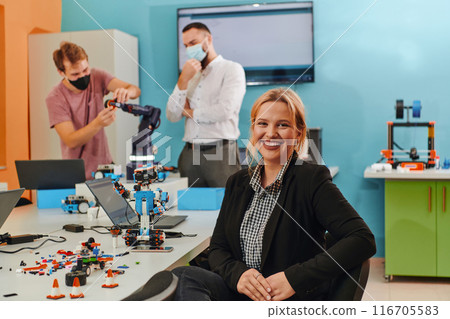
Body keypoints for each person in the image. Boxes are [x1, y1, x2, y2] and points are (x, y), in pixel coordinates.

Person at [171, 88, 376, 301]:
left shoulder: (311, 180)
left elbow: (362, 238)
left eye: (283, 125)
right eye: (263, 123)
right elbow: (218, 249)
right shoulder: (238, 182)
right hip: (242, 295)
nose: (270, 133)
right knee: (182, 276)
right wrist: (239, 275)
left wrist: (293, 279)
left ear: (298, 133)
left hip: (287, 300)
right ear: (253, 129)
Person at [166, 22, 246, 187]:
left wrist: (188, 112)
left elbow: (224, 111)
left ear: (208, 39)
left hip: (221, 152)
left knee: (228, 206)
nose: (189, 49)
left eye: (193, 43)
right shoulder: (189, 75)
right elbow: (172, 115)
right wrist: (183, 80)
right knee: (190, 207)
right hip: (190, 153)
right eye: (186, 45)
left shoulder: (232, 69)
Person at [46, 41, 141, 179]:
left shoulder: (97, 76)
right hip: (77, 174)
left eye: (85, 70)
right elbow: (71, 141)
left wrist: (126, 92)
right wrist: (98, 123)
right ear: (61, 72)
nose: (83, 76)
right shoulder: (55, 97)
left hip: (105, 167)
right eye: (75, 74)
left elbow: (135, 90)